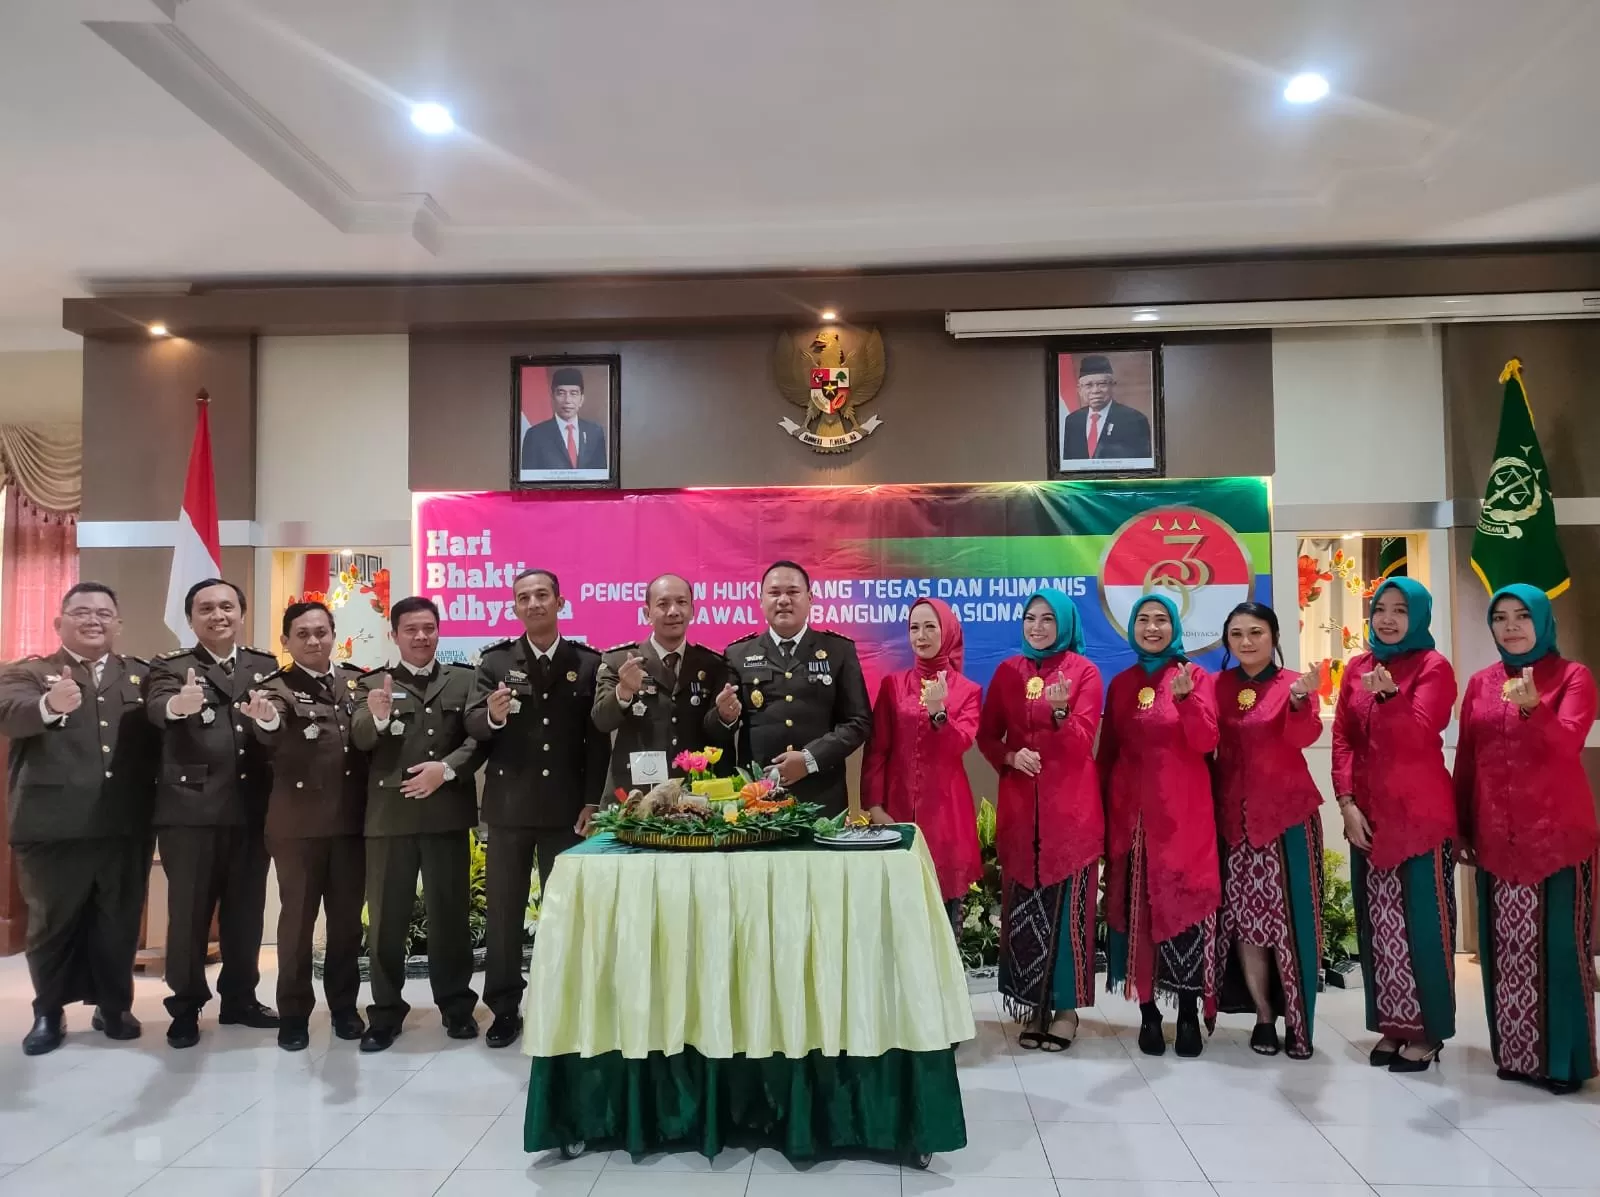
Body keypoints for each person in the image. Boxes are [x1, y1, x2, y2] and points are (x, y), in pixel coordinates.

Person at [0, 583, 158, 1054]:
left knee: (119, 920)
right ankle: (48, 1013)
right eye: (82, 612)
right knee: (52, 923)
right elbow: (9, 715)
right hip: (52, 825)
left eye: (104, 613)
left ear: (118, 623)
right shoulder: (29, 672)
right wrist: (49, 706)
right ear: (59, 622)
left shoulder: (140, 676)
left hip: (125, 822)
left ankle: (114, 1006)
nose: (94, 620)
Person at [1456, 584, 1599, 1094]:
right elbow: (1467, 758)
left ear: (1542, 621)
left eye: (1522, 616)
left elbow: (1566, 745)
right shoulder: (1480, 683)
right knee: (1505, 946)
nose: (1511, 626)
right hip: (1497, 834)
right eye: (1500, 618)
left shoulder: (1573, 677)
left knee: (1560, 948)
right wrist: (1463, 827)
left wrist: (1535, 707)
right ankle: (1516, 1054)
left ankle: (1564, 1062)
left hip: (1557, 836)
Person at [465, 568, 609, 1049]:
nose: (533, 604)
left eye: (542, 595)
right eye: (523, 597)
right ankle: (505, 1009)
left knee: (565, 913)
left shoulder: (588, 663)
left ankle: (565, 1002)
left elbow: (596, 743)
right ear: (514, 607)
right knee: (503, 916)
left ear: (560, 601)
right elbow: (473, 723)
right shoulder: (496, 661)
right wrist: (493, 715)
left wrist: (592, 800)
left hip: (568, 811)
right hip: (509, 808)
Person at [146, 578, 281, 1048]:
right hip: (191, 812)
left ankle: (240, 998)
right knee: (189, 916)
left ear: (242, 613)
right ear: (190, 619)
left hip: (250, 810)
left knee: (246, 914)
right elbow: (158, 706)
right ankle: (185, 1008)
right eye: (206, 608)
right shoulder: (171, 667)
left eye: (227, 606)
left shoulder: (263, 666)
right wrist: (179, 706)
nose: (218, 615)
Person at [1332, 576, 1458, 1073]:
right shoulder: (1359, 667)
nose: (1386, 618)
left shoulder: (1433, 667)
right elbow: (1343, 737)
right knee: (1380, 925)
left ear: (1419, 617)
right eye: (1380, 608)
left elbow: (1422, 732)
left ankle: (1427, 1031)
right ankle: (1392, 1023)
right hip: (1368, 816)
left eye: (1399, 610)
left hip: (1420, 817)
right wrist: (1346, 802)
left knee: (1424, 926)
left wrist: (1389, 699)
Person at [351, 596, 486, 1052]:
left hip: (446, 814)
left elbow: (478, 738)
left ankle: (457, 1008)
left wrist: (444, 770)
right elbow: (361, 739)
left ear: (439, 631)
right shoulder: (371, 685)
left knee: (451, 918)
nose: (421, 636)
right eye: (411, 629)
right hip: (390, 819)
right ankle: (385, 1013)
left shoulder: (466, 679)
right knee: (387, 923)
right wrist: (381, 715)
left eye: (429, 628)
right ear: (394, 635)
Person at [976, 589, 1104, 1051]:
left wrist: (1059, 712)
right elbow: (988, 737)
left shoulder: (1084, 672)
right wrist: (1011, 756)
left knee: (1069, 912)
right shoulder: (1008, 672)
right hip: (1020, 808)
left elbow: (1081, 742)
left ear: (1065, 624)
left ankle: (1066, 1009)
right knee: (1025, 909)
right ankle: (1032, 1005)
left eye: (1048, 619)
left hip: (1070, 810)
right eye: (1030, 618)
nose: (1037, 626)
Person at [243, 601, 368, 1051]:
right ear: (286, 642)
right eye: (303, 635)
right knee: (296, 925)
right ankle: (294, 1015)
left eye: (321, 632)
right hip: (298, 827)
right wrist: (267, 717)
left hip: (351, 826)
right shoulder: (276, 688)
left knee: (347, 925)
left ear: (333, 634)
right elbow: (271, 723)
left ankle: (344, 1008)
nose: (313, 641)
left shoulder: (355, 682)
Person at [1101, 592, 1220, 1058]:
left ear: (1175, 626)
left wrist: (1188, 701)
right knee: (1138, 919)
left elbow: (1207, 740)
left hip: (1182, 819)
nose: (1152, 628)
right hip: (1131, 819)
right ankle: (1149, 1013)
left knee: (1184, 915)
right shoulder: (1122, 682)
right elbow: (1107, 753)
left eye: (1161, 620)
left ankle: (1187, 1013)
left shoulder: (1195, 677)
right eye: (1144, 620)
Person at [1212, 602, 1325, 1060]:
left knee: (1290, 926)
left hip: (1286, 822)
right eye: (1236, 633)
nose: (1245, 641)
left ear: (1275, 636)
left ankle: (1298, 1020)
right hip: (1234, 826)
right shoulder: (1216, 686)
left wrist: (1299, 700)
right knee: (1246, 926)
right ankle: (1263, 1016)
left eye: (1255, 632)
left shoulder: (1293, 684)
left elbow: (1305, 736)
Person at [862, 599, 983, 931]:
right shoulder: (893, 685)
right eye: (914, 627)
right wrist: (874, 807)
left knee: (944, 922)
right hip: (896, 814)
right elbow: (877, 750)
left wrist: (937, 712)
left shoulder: (968, 691)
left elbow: (959, 744)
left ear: (947, 632)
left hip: (947, 819)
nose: (921, 635)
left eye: (930, 627)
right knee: (898, 919)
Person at [722, 561, 872, 816]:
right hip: (758, 796)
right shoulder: (737, 654)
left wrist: (809, 760)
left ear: (810, 598)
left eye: (792, 592)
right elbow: (717, 728)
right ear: (760, 600)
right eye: (774, 593)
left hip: (822, 796)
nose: (783, 600)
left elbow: (858, 722)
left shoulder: (838, 651)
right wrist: (724, 717)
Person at [593, 573, 736, 795]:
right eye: (663, 604)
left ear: (693, 610)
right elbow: (601, 720)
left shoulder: (712, 664)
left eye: (681, 602)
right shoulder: (620, 660)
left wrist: (725, 716)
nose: (673, 611)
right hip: (636, 793)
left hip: (695, 793)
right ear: (647, 613)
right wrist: (623, 691)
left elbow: (716, 733)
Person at [1059, 354, 1152, 463]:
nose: (1095, 391)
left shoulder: (1135, 420)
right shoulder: (1073, 420)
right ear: (1079, 390)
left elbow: (1141, 467)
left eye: (1102, 384)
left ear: (1112, 386)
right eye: (1088, 385)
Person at [521, 366, 607, 471]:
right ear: (552, 397)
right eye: (561, 393)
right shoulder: (535, 435)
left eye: (573, 393)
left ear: (581, 399)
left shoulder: (595, 432)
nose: (567, 400)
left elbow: (601, 475)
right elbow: (529, 480)